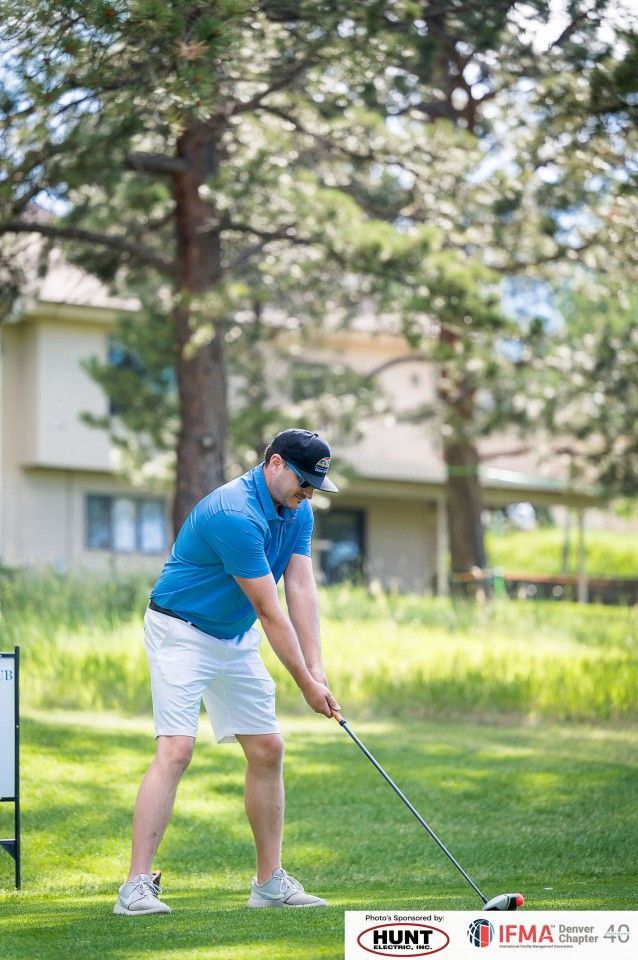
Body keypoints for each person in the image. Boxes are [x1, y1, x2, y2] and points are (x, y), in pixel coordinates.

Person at [114, 428, 341, 916]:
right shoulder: (233, 513)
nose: (308, 495)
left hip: (233, 636)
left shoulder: (296, 510)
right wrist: (304, 684)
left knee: (267, 747)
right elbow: (269, 608)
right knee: (176, 749)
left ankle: (269, 884)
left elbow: (300, 588)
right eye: (303, 482)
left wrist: (317, 670)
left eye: (315, 488)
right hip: (181, 631)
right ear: (275, 464)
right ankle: (134, 888)